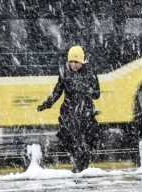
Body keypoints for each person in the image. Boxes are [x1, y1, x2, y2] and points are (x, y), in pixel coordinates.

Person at [37, 45, 100, 173]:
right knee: (72, 140)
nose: (73, 65)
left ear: (82, 61)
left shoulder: (90, 72)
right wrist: (47, 104)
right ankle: (78, 167)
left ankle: (82, 167)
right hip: (69, 112)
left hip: (85, 112)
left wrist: (87, 90)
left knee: (86, 142)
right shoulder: (64, 72)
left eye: (76, 62)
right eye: (71, 61)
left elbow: (97, 94)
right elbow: (57, 91)